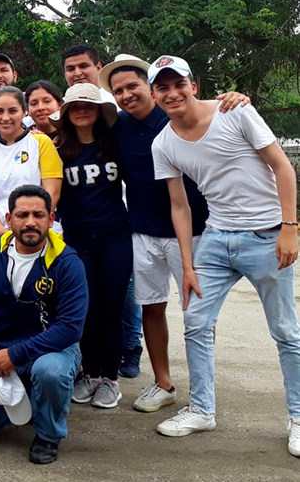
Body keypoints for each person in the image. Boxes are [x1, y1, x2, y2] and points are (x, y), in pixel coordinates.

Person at [148, 56, 300, 456]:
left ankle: (299, 417)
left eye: (177, 83)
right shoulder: (162, 143)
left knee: (286, 331)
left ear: (192, 85)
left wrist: (289, 227)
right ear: (154, 95)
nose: (171, 93)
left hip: (265, 236)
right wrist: (187, 266)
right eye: (162, 87)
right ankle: (201, 409)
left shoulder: (235, 111)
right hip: (215, 238)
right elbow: (179, 207)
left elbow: (283, 168)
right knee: (196, 322)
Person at [100, 53, 248, 409]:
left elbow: (210, 111)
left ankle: (202, 386)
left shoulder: (174, 116)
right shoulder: (117, 126)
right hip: (144, 231)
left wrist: (236, 98)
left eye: (133, 86)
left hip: (195, 229)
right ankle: (163, 383)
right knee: (151, 307)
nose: (126, 95)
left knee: (197, 311)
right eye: (119, 90)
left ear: (150, 89)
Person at [0, 185, 88, 464]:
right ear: (8, 219)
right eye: (22, 214)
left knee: (50, 372)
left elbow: (69, 328)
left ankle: (48, 434)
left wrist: (16, 355)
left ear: (51, 220)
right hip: (2, 351)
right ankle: (32, 395)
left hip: (53, 350)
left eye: (38, 215)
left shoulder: (67, 262)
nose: (30, 222)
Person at [49, 83, 130, 409]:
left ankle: (110, 378)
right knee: (86, 310)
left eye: (89, 105)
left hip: (115, 238)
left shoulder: (113, 145)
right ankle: (90, 373)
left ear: (99, 110)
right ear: (67, 112)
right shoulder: (58, 149)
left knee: (111, 309)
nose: (82, 110)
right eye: (75, 106)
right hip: (77, 240)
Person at [0, 87, 62, 238]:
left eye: (12, 111)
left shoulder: (41, 142)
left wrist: (29, 226)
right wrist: (1, 232)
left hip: (38, 234)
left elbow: (53, 192)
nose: (5, 117)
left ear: (24, 112)